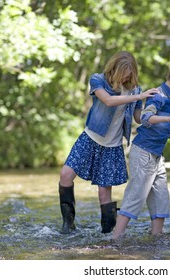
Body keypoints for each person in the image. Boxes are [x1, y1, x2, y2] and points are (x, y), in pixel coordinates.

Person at [58, 51, 159, 234]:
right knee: (65, 174)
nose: (125, 77)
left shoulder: (136, 89)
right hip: (90, 139)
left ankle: (108, 234)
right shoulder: (98, 80)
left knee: (104, 192)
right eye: (122, 72)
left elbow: (138, 118)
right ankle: (68, 225)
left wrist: (155, 113)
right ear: (114, 68)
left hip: (112, 147)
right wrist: (139, 97)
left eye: (128, 73)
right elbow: (108, 100)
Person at [112, 59, 170, 239]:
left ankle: (156, 238)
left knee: (161, 197)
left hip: (157, 156)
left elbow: (163, 127)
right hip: (143, 151)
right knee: (136, 194)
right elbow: (146, 118)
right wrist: (169, 119)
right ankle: (115, 238)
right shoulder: (159, 95)